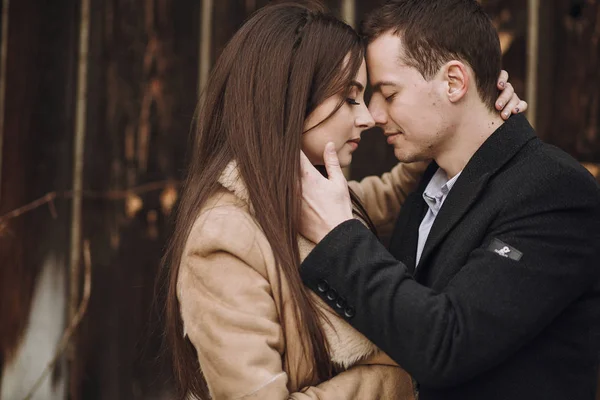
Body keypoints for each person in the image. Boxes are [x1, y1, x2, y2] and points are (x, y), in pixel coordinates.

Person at [162, 2, 525, 399]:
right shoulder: (226, 235)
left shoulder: (309, 199)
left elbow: (393, 193)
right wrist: (397, 378)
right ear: (290, 102)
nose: (368, 117)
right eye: (351, 97)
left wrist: (476, 117)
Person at [297, 1, 600, 399]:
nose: (374, 114)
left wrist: (340, 238)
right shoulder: (429, 187)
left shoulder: (555, 191)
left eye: (388, 93)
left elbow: (447, 344)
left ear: (454, 82)